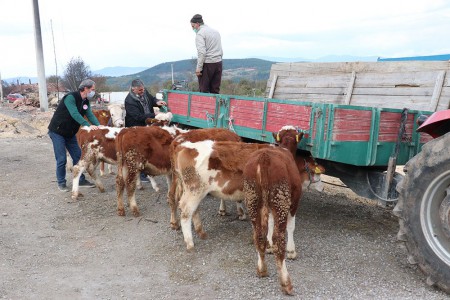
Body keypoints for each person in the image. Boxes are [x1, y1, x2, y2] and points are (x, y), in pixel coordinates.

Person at [48, 79, 100, 192]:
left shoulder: (85, 101)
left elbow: (89, 114)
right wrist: (86, 125)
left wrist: (99, 127)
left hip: (70, 133)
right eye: (92, 89)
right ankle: (61, 182)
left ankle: (80, 180)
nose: (93, 92)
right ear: (85, 88)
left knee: (78, 156)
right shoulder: (70, 97)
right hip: (57, 131)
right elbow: (74, 113)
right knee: (61, 158)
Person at [124, 79, 167, 182]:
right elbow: (137, 116)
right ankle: (141, 174)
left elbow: (151, 99)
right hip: (136, 127)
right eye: (140, 90)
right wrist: (154, 115)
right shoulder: (129, 100)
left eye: (143, 89)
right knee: (139, 150)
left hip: (147, 125)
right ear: (133, 89)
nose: (142, 91)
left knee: (148, 148)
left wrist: (157, 102)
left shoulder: (144, 91)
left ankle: (147, 170)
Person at [190, 14, 223, 94]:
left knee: (204, 91)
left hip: (207, 64)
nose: (192, 28)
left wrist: (199, 68)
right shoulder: (215, 32)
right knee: (215, 90)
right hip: (218, 63)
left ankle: (205, 106)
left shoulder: (200, 34)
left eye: (193, 26)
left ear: (197, 24)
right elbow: (220, 49)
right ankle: (216, 106)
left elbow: (202, 52)